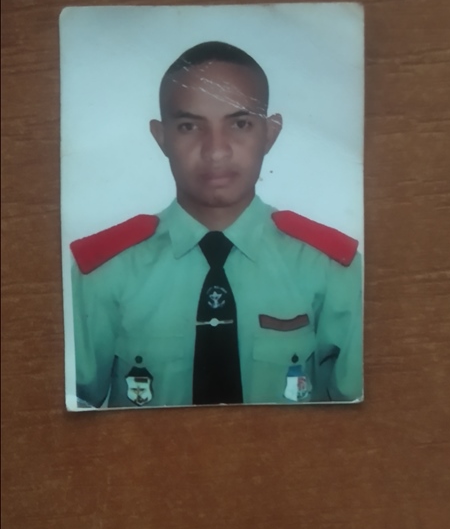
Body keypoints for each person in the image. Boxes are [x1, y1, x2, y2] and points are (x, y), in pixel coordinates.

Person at [70, 41, 363, 408]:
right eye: (189, 126)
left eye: (240, 124)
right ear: (162, 138)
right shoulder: (101, 276)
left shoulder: (332, 273)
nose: (216, 151)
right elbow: (65, 415)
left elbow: (361, 417)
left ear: (270, 133)